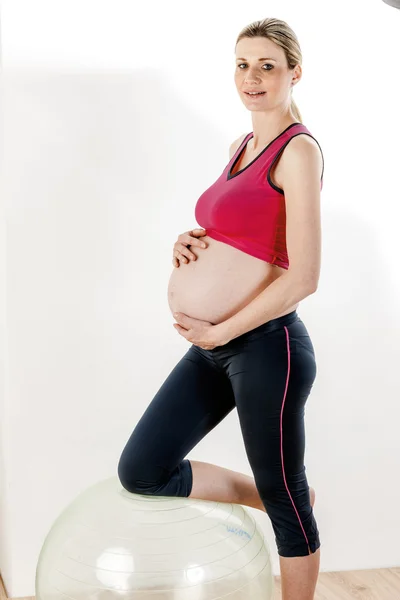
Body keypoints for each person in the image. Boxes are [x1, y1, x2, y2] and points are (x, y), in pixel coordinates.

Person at [118, 17, 324, 600]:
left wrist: (222, 330)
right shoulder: (241, 146)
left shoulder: (298, 150)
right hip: (215, 348)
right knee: (143, 470)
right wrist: (190, 240)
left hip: (267, 347)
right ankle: (277, 492)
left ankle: (285, 502)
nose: (251, 78)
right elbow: (242, 231)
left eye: (266, 66)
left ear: (294, 73)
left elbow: (304, 275)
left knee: (287, 503)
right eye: (242, 64)